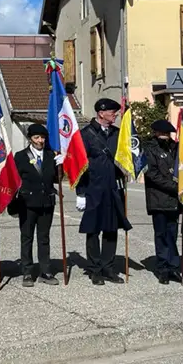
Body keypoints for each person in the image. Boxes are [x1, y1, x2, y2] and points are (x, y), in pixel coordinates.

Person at [75, 98, 131, 285]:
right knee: (93, 231)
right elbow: (80, 165)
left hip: (113, 189)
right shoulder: (86, 135)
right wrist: (81, 193)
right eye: (112, 112)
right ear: (101, 113)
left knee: (111, 229)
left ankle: (108, 268)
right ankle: (95, 269)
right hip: (93, 189)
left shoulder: (117, 134)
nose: (115, 115)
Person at [14, 123, 62, 287]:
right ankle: (27, 272)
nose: (40, 141)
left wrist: (61, 165)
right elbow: (15, 179)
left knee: (44, 238)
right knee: (27, 238)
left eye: (42, 137)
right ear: (30, 139)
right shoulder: (20, 156)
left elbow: (56, 179)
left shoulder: (51, 155)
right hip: (27, 203)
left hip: (46, 202)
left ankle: (45, 271)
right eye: (36, 137)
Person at [142, 119, 183, 285]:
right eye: (162, 133)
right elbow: (152, 175)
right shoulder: (149, 149)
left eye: (167, 134)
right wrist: (175, 186)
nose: (165, 136)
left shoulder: (175, 148)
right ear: (155, 133)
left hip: (174, 201)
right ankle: (162, 269)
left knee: (173, 234)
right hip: (158, 198)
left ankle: (174, 267)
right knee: (161, 235)